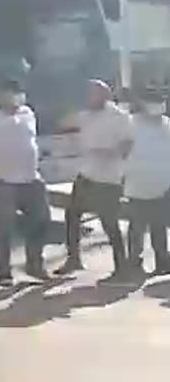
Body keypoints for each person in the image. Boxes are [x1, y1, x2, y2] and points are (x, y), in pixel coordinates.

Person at [0, 78, 49, 286]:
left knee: (41, 220)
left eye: (16, 92)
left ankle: (35, 264)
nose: (12, 96)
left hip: (30, 178)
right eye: (7, 92)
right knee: (3, 228)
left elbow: (31, 141)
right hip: (1, 180)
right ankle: (4, 273)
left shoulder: (27, 113)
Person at [56, 80, 132, 280]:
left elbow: (127, 146)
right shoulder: (85, 115)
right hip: (86, 174)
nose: (89, 97)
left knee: (110, 223)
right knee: (72, 215)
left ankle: (121, 267)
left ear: (104, 95)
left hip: (108, 179)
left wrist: (108, 153)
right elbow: (64, 124)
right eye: (87, 94)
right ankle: (73, 259)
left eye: (93, 94)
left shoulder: (119, 117)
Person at [123, 88, 170, 276]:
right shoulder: (131, 123)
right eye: (153, 101)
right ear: (142, 103)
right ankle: (134, 263)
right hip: (138, 185)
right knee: (137, 228)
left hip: (163, 186)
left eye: (161, 101)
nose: (158, 105)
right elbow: (122, 149)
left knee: (160, 227)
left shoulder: (167, 124)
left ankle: (162, 262)